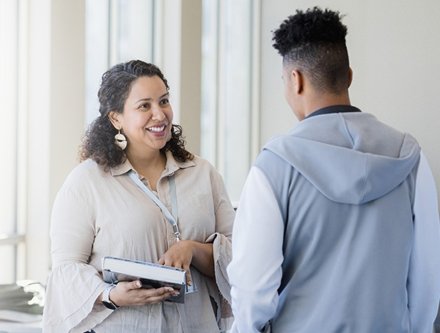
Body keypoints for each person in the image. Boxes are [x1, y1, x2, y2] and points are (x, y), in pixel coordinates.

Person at [227, 7, 440, 333]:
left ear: (295, 80)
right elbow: (427, 278)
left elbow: (253, 288)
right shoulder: (411, 158)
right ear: (349, 75)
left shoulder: (273, 167)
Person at [42, 60, 235, 332]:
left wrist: (191, 249)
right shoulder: (87, 182)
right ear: (115, 118)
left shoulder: (203, 173)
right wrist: (109, 295)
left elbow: (239, 257)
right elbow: (65, 271)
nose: (160, 114)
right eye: (144, 106)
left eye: (164, 101)